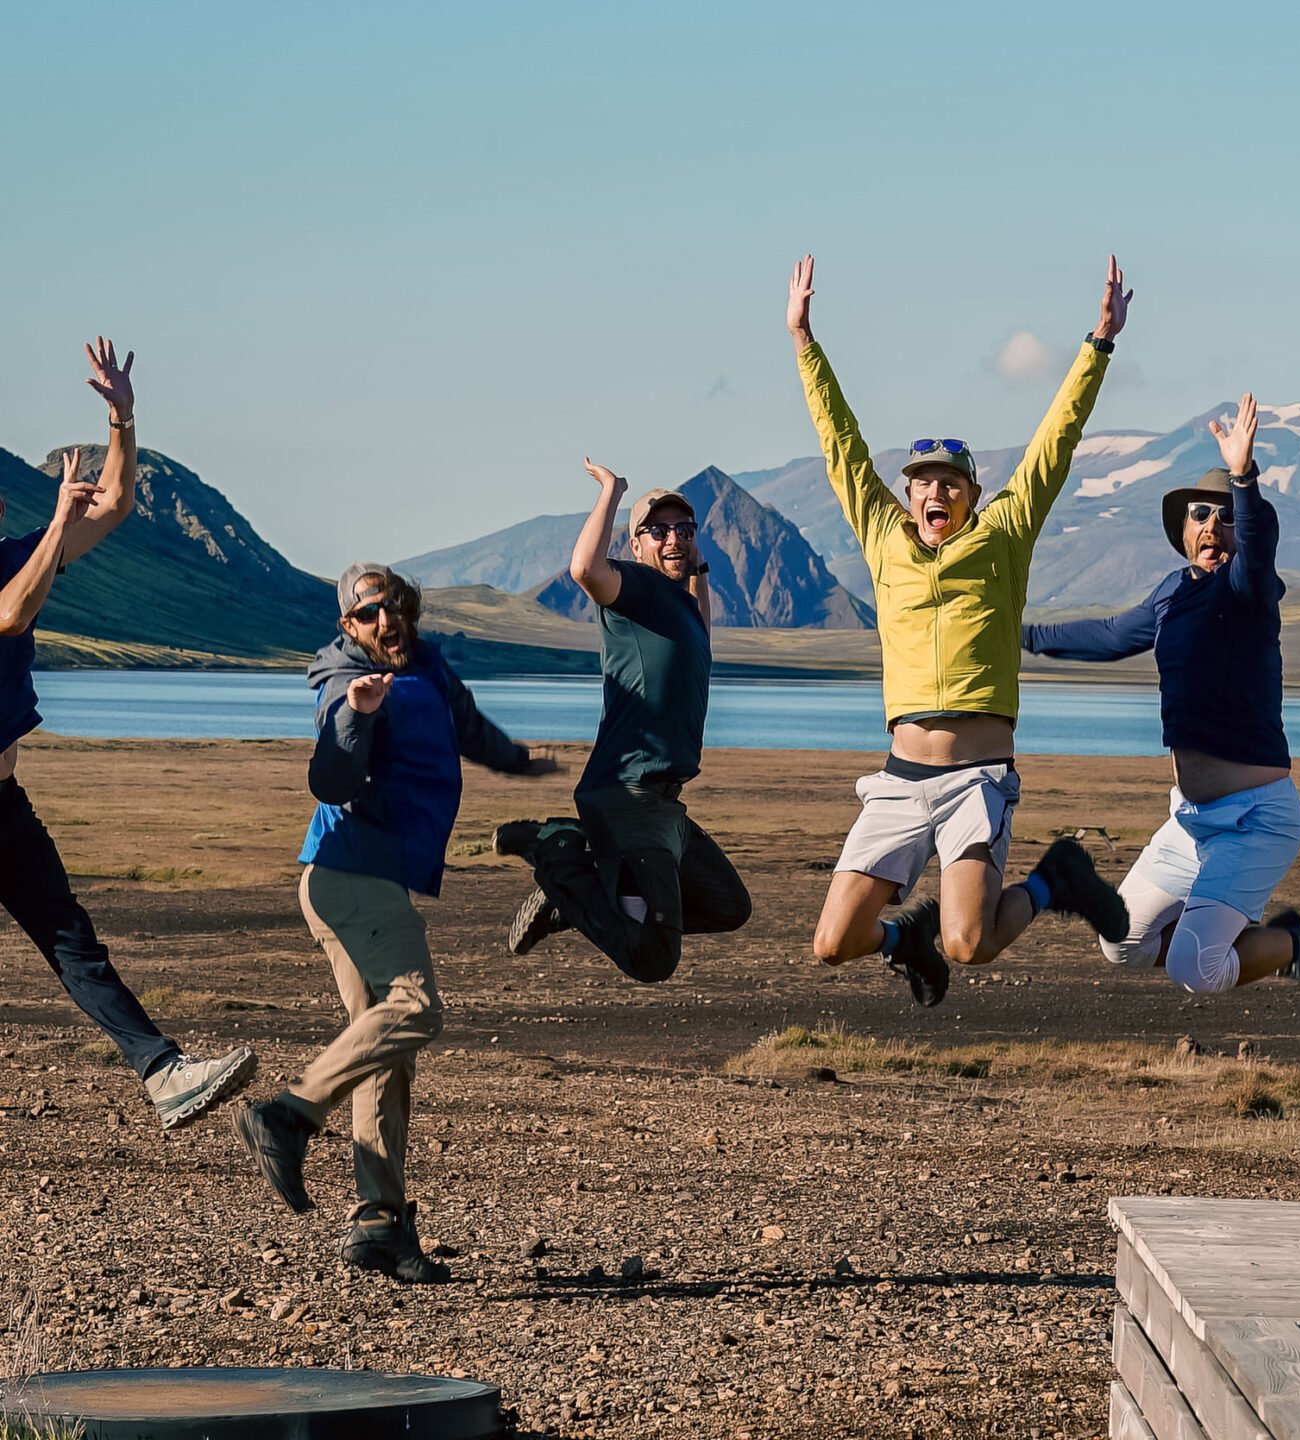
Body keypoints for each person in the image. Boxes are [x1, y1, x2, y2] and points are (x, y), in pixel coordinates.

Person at [787, 254, 1130, 1008]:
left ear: (973, 494)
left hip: (977, 775)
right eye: (923, 482)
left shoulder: (1003, 536)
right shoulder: (882, 536)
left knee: (969, 944)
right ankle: (902, 939)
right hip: (901, 779)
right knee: (832, 943)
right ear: (907, 495)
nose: (935, 491)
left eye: (951, 482)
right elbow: (840, 446)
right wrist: (805, 344)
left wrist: (1096, 346)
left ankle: (1057, 879)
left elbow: (1054, 445)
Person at [232, 564, 555, 1282]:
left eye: (398, 607)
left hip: (372, 879)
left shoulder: (427, 667)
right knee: (415, 1009)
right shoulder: (343, 682)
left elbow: (469, 727)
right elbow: (331, 779)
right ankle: (289, 1116)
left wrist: (521, 763)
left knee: (384, 1044)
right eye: (372, 613)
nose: (389, 622)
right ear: (349, 625)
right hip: (351, 879)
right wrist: (357, 712)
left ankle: (379, 1224)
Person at [1023, 392, 1300, 1007]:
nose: (1212, 525)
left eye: (1225, 516)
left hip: (1255, 821)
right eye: (1199, 514)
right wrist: (1015, 635)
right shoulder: (1170, 593)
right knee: (1124, 944)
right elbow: (1108, 636)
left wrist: (1243, 475)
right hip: (1190, 821)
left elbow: (1260, 535)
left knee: (1195, 965)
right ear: (1183, 530)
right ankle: (1243, 934)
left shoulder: (1251, 588)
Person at [0, 337, 256, 1127]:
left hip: (1, 800)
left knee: (71, 939)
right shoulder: (23, 559)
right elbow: (10, 615)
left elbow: (113, 507)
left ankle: (164, 1071)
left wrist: (122, 418)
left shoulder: (16, 554)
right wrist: (51, 529)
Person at [492, 460, 751, 983]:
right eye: (657, 531)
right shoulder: (634, 590)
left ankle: (575, 896)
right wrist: (613, 491)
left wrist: (698, 570)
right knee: (651, 959)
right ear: (635, 547)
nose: (673, 539)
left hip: (664, 804)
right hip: (628, 794)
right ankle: (556, 851)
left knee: (728, 907)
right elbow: (586, 569)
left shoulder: (678, 606)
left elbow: (702, 633)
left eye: (684, 530)